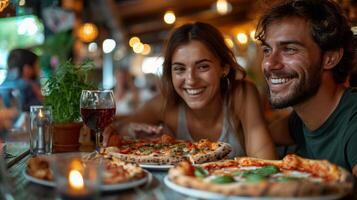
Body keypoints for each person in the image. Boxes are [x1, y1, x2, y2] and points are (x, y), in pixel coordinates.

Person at [104, 22, 277, 159]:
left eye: (202, 67)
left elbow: (265, 164)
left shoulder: (242, 95)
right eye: (180, 69)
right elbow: (120, 129)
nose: (191, 80)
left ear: (223, 68)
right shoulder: (165, 104)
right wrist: (131, 131)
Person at [255, 0, 357, 176]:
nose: (269, 63)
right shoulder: (300, 122)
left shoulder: (352, 123)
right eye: (267, 50)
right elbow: (255, 136)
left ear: (330, 58)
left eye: (289, 49)